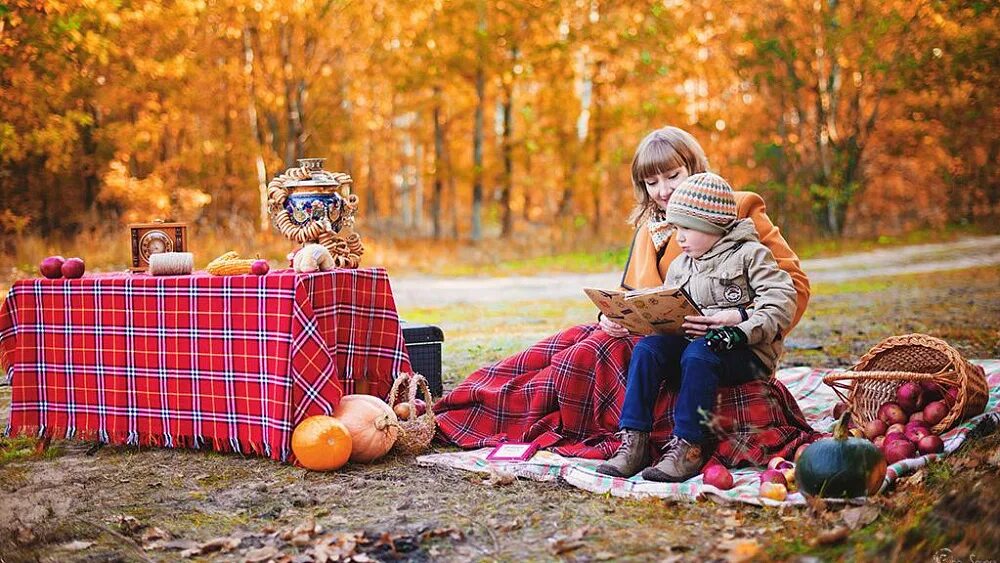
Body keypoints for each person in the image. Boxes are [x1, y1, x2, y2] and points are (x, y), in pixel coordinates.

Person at [433, 126, 816, 468]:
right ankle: (477, 404)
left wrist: (738, 320)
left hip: (726, 342)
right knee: (576, 342)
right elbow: (635, 293)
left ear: (695, 169)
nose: (663, 191)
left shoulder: (738, 210)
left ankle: (521, 415)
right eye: (652, 183)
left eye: (673, 176)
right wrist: (612, 316)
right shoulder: (650, 230)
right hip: (657, 338)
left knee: (591, 354)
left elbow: (792, 286)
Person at [595, 172, 798, 481]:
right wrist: (634, 317)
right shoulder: (681, 265)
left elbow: (781, 301)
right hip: (697, 348)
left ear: (714, 225)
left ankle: (689, 446)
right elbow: (672, 309)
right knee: (649, 349)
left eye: (687, 228)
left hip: (746, 353)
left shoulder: (750, 255)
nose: (679, 238)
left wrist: (740, 323)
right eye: (677, 228)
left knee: (701, 352)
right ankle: (633, 440)